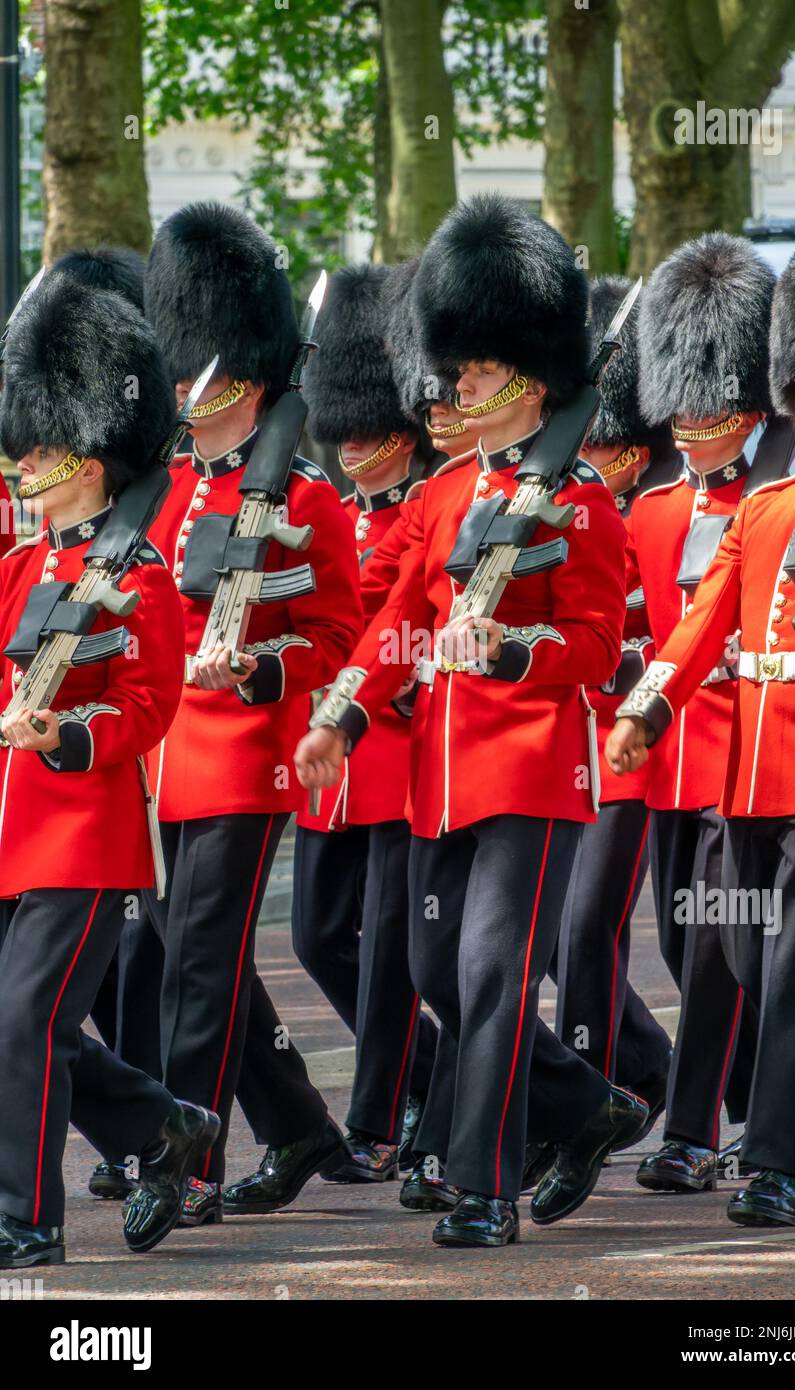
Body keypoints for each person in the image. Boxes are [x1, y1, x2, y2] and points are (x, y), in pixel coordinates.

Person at [294, 193, 647, 1248]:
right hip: (438, 775)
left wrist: (501, 648)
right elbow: (392, 620)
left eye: (474, 371)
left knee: (490, 973)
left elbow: (591, 651)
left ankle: (482, 1187)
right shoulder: (446, 497)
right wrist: (342, 717)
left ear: (525, 379)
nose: (453, 387)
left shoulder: (579, 503)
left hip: (533, 771)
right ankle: (585, 1106)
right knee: (436, 974)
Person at [608, 221, 795, 1226]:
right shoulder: (765, 508)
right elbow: (698, 623)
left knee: (794, 973)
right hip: (746, 770)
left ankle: (777, 1165)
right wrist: (644, 705)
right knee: (737, 959)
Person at [127, 201, 363, 1227]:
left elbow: (337, 637)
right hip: (161, 755)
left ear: (250, 381)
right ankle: (300, 1124)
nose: (185, 389)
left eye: (202, 372)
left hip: (246, 755)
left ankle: (184, 1163)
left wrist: (261, 668)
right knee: (189, 949)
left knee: (195, 959)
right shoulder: (159, 488)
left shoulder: (306, 502)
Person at [0, 273, 219, 1268]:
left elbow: (147, 707)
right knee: (29, 1025)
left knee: (21, 1023)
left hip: (85, 833)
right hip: (11, 836)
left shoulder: (137, 576)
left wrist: (65, 731)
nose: (24, 462)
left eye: (40, 450)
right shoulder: (15, 572)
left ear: (86, 460)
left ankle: (26, 1218)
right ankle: (163, 1127)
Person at [230, 261, 439, 1194]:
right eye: (343, 431)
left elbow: (402, 622)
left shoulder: (426, 513)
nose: (355, 448)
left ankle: (377, 1121)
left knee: (395, 950)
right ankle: (442, 1077)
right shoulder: (333, 514)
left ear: (402, 433)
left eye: (373, 432)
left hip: (394, 750)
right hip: (332, 763)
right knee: (318, 937)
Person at [615, 234, 774, 1194]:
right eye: (679, 402)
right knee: (685, 941)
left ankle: (690, 1130)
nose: (687, 420)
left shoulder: (774, 495)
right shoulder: (653, 509)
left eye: (707, 405)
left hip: (750, 750)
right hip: (669, 755)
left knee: (723, 945)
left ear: (746, 407)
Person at [553, 275, 674, 1145]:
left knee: (591, 925)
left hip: (637, 746)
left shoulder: (659, 512)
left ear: (629, 450)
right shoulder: (574, 502)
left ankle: (585, 1096)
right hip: (571, 741)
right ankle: (643, 1074)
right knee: (564, 935)